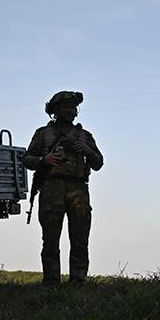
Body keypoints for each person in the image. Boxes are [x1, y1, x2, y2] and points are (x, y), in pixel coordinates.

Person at [22, 91, 104, 283]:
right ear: (55, 110)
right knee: (50, 240)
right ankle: (51, 283)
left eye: (73, 107)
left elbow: (99, 163)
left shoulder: (84, 136)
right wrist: (45, 160)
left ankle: (78, 282)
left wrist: (87, 150)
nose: (70, 110)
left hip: (78, 189)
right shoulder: (43, 133)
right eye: (65, 107)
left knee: (80, 238)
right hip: (52, 188)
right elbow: (27, 159)